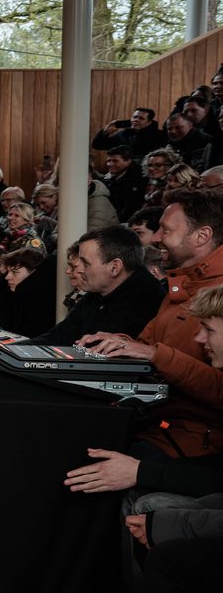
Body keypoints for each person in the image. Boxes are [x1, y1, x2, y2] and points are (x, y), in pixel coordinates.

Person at [81, 189, 223, 459]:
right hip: (157, 425)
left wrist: (153, 354)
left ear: (202, 236)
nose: (156, 238)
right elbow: (146, 346)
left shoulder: (217, 292)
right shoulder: (181, 283)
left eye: (165, 230)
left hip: (195, 446)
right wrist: (118, 343)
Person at [27, 227, 165, 348]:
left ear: (114, 267)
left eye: (86, 263)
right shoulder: (97, 293)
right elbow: (58, 337)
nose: (80, 270)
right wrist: (10, 353)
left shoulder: (151, 301)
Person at [0, 246, 54, 336]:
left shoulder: (41, 303)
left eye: (14, 272)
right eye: (8, 272)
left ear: (33, 273)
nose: (7, 277)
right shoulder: (7, 297)